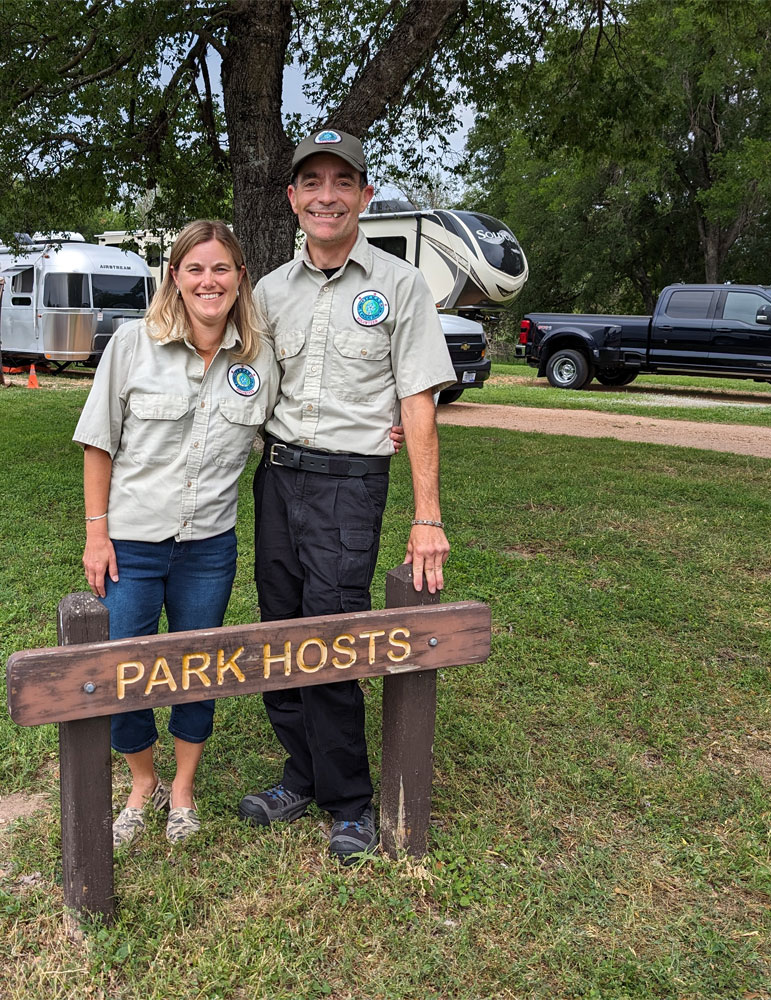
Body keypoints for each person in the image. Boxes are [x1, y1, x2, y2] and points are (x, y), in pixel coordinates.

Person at [238, 128, 456, 863]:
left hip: (349, 485)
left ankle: (350, 801)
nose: (326, 196)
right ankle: (301, 775)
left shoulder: (399, 286)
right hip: (278, 478)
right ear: (293, 197)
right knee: (278, 633)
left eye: (342, 182)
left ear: (364, 195)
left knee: (329, 637)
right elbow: (246, 390)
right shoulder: (267, 292)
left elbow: (418, 402)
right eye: (312, 182)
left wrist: (427, 516)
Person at [72, 220, 279, 850]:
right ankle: (142, 783)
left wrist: (381, 429)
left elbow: (295, 424)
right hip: (131, 542)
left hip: (209, 546)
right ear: (175, 277)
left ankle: (183, 790)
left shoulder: (259, 357)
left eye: (220, 269)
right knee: (124, 666)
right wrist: (97, 533)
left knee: (199, 664)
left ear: (240, 277)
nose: (208, 281)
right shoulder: (133, 344)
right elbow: (98, 442)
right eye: (195, 269)